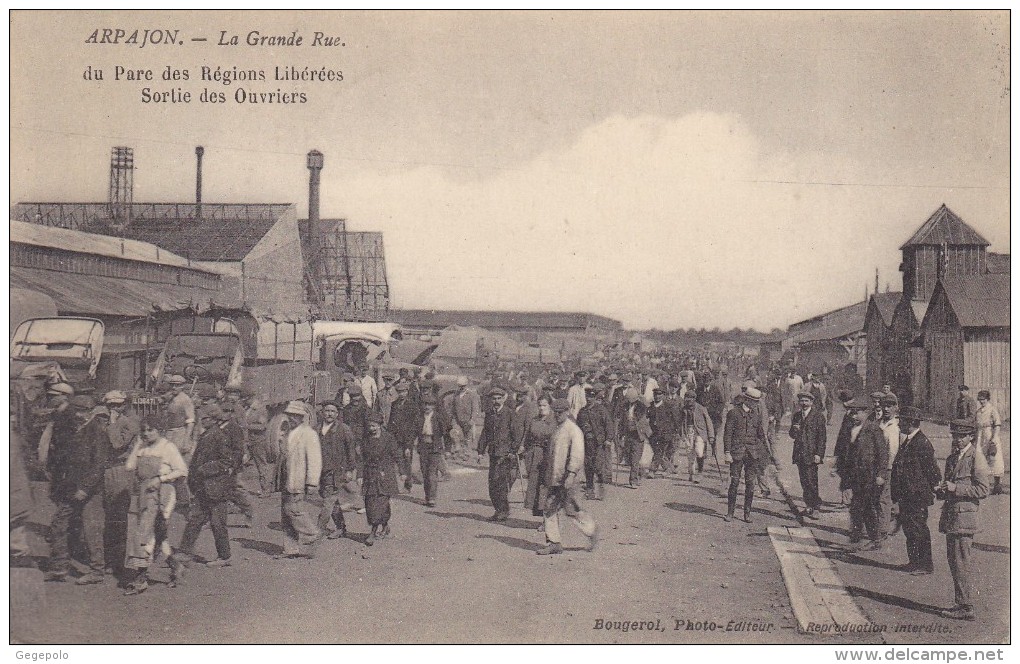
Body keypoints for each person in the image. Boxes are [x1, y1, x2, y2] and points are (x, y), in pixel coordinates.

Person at [43, 395, 109, 585]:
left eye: (80, 411)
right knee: (58, 524)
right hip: (70, 488)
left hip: (89, 491)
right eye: (75, 411)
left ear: (89, 412)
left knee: (91, 529)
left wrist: (85, 488)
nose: (77, 415)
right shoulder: (72, 428)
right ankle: (59, 567)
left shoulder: (97, 431)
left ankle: (97, 571)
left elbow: (99, 464)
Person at [123, 416, 189, 595]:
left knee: (146, 533)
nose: (147, 433)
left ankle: (141, 578)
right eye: (144, 430)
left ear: (159, 430)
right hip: (143, 493)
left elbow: (182, 470)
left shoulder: (168, 448)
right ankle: (175, 566)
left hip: (163, 493)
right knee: (157, 534)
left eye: (151, 430)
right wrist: (137, 445)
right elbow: (130, 467)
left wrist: (161, 479)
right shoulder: (143, 447)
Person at [937, 419, 991, 621]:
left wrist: (955, 488)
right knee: (954, 562)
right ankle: (961, 603)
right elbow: (950, 485)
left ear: (971, 437)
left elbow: (983, 489)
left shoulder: (976, 457)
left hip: (965, 518)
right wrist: (943, 490)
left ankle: (965, 606)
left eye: (962, 436)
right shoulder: (952, 458)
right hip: (952, 516)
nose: (957, 439)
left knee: (961, 563)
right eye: (955, 435)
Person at [178, 405, 243, 568]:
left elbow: (226, 461)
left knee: (217, 523)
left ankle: (225, 556)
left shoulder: (219, 436)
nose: (202, 421)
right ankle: (185, 552)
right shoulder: (207, 434)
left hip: (216, 487)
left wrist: (205, 469)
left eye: (205, 419)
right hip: (204, 487)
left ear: (213, 420)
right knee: (196, 519)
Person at [537, 399, 598, 555]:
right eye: (555, 412)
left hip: (568, 479)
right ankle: (554, 543)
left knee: (571, 509)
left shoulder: (573, 430)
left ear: (567, 412)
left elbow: (577, 455)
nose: (557, 415)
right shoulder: (557, 429)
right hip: (555, 478)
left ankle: (591, 530)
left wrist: (571, 475)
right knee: (549, 508)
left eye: (560, 412)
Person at [890, 406, 941, 575]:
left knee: (919, 529)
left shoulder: (922, 442)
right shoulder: (909, 440)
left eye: (902, 420)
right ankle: (914, 561)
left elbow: (932, 470)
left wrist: (934, 488)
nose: (898, 423)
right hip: (907, 494)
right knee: (909, 529)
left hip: (917, 495)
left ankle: (925, 565)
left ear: (911, 422)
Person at [276, 401, 322, 560]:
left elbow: (315, 459)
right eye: (290, 415)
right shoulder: (288, 432)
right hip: (286, 478)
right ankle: (290, 548)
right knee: (285, 515)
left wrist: (312, 482)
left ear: (302, 417)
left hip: (298, 478)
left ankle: (312, 533)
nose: (292, 418)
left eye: (295, 416)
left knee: (294, 510)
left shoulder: (309, 433)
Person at [843, 398, 887, 550]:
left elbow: (883, 454)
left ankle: (875, 540)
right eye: (852, 413)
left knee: (867, 507)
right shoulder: (851, 429)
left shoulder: (873, 429)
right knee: (856, 507)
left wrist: (881, 474)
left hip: (870, 476)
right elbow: (848, 455)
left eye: (857, 413)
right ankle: (857, 538)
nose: (854, 416)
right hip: (856, 476)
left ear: (865, 413)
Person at [722, 391, 767, 523]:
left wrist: (762, 451)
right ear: (746, 400)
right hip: (737, 453)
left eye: (757, 401)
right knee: (734, 482)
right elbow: (728, 434)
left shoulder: (756, 415)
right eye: (753, 401)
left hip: (752, 454)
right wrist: (727, 452)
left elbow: (760, 435)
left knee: (750, 484)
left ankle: (747, 514)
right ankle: (730, 513)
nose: (755, 404)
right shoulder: (734, 413)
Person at [316, 401, 356, 539]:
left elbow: (351, 450)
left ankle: (318, 530)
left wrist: (350, 469)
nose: (329, 414)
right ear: (322, 412)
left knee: (328, 500)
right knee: (330, 500)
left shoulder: (344, 429)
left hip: (335, 471)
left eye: (332, 411)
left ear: (337, 414)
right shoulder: (317, 428)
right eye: (327, 411)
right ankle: (341, 528)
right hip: (321, 470)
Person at [477, 385, 516, 521]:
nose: (496, 401)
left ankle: (503, 511)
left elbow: (515, 434)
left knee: (500, 483)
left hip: (505, 454)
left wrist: (513, 451)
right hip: (493, 453)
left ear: (503, 399)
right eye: (494, 399)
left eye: (499, 398)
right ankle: (498, 510)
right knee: (492, 484)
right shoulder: (489, 414)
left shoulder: (509, 413)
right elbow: (485, 434)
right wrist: (480, 451)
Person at [362, 411, 401, 545]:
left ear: (380, 425)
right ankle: (385, 527)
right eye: (369, 426)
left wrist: (403, 472)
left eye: (374, 426)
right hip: (370, 475)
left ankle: (372, 533)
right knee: (369, 503)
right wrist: (360, 475)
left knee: (380, 504)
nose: (371, 429)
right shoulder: (366, 438)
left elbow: (397, 455)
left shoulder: (388, 438)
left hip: (385, 475)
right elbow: (361, 458)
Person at [790, 391, 826, 519]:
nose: (804, 404)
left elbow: (822, 438)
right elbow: (791, 435)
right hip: (800, 454)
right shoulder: (797, 416)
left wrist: (819, 454)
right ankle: (808, 506)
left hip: (811, 454)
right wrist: (794, 430)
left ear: (811, 402)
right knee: (804, 481)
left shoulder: (818, 416)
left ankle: (816, 507)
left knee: (812, 482)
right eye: (802, 401)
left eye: (806, 401)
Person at [577, 384, 614, 500]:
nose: (588, 399)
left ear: (595, 398)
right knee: (588, 467)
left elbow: (609, 424)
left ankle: (601, 490)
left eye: (591, 397)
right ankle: (590, 491)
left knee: (598, 467)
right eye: (587, 397)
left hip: (599, 443)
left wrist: (608, 439)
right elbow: (578, 427)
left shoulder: (601, 410)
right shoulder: (582, 411)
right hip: (586, 443)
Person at [523, 396, 557, 517]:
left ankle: (547, 518)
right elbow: (527, 437)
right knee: (535, 485)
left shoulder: (554, 421)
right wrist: (524, 450)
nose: (542, 408)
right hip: (533, 456)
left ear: (550, 406)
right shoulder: (534, 420)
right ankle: (540, 514)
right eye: (540, 405)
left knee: (546, 486)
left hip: (548, 456)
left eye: (544, 405)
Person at [389, 382, 423, 494]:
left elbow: (415, 424)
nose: (402, 394)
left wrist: (410, 443)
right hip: (396, 437)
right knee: (398, 460)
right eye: (399, 392)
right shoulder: (394, 404)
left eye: (404, 391)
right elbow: (391, 421)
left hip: (408, 438)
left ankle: (408, 485)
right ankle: (398, 484)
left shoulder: (412, 405)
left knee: (407, 460)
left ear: (407, 391)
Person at [417, 394, 451, 507]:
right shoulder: (419, 417)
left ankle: (432, 498)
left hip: (435, 447)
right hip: (423, 447)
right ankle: (427, 497)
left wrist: (448, 450)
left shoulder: (438, 417)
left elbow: (446, 434)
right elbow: (413, 432)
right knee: (425, 472)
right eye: (425, 404)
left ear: (434, 406)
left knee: (432, 473)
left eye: (430, 405)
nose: (427, 407)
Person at [876, 394, 900, 538]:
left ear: (896, 408)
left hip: (887, 468)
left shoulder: (895, 427)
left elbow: (892, 452)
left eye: (889, 406)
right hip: (877, 468)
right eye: (884, 406)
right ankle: (896, 516)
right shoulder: (879, 423)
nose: (886, 409)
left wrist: (885, 471)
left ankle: (882, 531)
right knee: (882, 498)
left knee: (883, 499)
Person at [680, 391, 715, 484]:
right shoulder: (683, 409)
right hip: (688, 432)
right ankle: (691, 473)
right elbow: (681, 423)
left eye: (691, 398)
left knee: (699, 452)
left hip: (700, 432)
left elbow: (709, 422)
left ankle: (700, 472)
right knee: (690, 453)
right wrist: (682, 434)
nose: (689, 400)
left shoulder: (701, 408)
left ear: (694, 399)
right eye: (687, 398)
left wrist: (711, 436)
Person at [974, 390, 1004, 495]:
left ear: (987, 399)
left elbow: (997, 424)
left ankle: (997, 485)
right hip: (980, 436)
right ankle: (983, 485)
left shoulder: (992, 410)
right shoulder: (978, 412)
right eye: (980, 399)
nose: (982, 401)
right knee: (980, 458)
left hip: (990, 435)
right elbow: (975, 425)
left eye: (983, 399)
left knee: (994, 459)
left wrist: (994, 437)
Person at [831, 390, 857, 508]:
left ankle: (847, 500)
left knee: (848, 475)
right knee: (844, 474)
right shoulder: (848, 414)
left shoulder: (854, 416)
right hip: (844, 450)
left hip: (850, 451)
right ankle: (845, 499)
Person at [647, 388, 679, 477]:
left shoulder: (668, 406)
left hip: (665, 433)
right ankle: (670, 468)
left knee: (659, 451)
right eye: (655, 395)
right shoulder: (650, 407)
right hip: (653, 434)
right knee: (659, 452)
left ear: (663, 395)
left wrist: (675, 431)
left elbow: (675, 420)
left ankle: (652, 470)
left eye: (659, 394)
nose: (657, 396)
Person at [620, 389, 649, 488]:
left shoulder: (641, 407)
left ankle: (633, 480)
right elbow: (622, 421)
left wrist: (632, 421)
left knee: (635, 459)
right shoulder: (624, 406)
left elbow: (640, 420)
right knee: (628, 458)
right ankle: (640, 472)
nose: (629, 401)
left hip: (638, 435)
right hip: (628, 434)